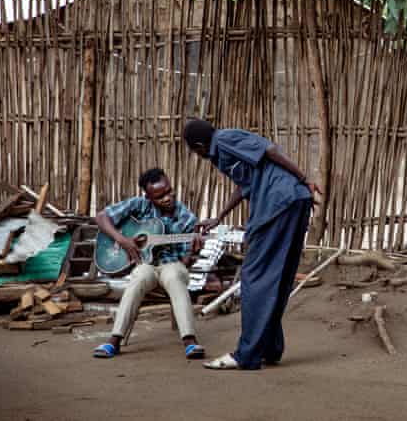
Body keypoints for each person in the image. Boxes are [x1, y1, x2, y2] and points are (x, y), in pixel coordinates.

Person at [183, 119, 319, 370]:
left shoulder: (223, 139)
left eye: (194, 151)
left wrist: (304, 178)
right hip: (291, 200)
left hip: (279, 201)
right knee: (277, 274)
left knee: (254, 276)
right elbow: (246, 185)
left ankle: (247, 354)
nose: (198, 155)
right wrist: (219, 216)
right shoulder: (222, 151)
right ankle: (269, 348)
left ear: (200, 146)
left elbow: (270, 150)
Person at [92, 168, 205, 360]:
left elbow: (186, 259)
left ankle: (189, 340)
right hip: (146, 265)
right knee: (139, 277)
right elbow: (101, 217)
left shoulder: (187, 218)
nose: (168, 198)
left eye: (169, 191)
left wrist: (194, 251)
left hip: (172, 264)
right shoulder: (139, 205)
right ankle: (114, 340)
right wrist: (122, 240)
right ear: (149, 197)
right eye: (160, 196)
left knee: (175, 277)